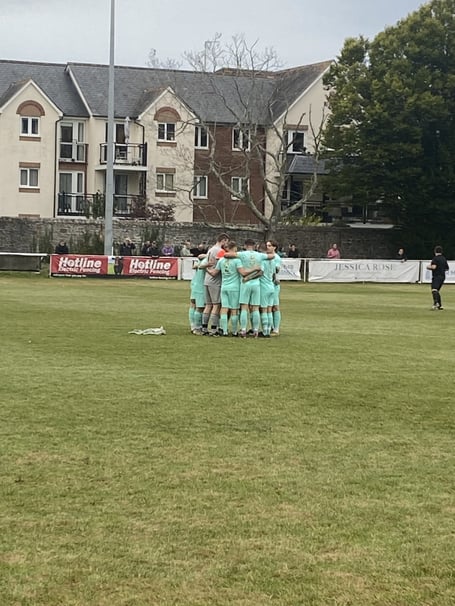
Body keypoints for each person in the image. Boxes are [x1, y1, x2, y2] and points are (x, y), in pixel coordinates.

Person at [201, 233, 230, 335]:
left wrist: (206, 268)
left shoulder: (210, 249)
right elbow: (220, 266)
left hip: (207, 280)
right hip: (215, 281)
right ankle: (214, 329)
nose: (226, 245)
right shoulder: (220, 251)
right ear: (223, 240)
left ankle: (204, 327)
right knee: (216, 305)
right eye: (226, 242)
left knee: (208, 305)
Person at [427, 245, 449, 310]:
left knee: (434, 289)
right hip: (442, 277)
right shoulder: (444, 258)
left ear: (435, 251)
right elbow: (447, 268)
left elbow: (434, 267)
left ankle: (436, 304)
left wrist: (428, 267)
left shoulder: (435, 259)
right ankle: (440, 305)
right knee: (437, 291)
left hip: (436, 276)